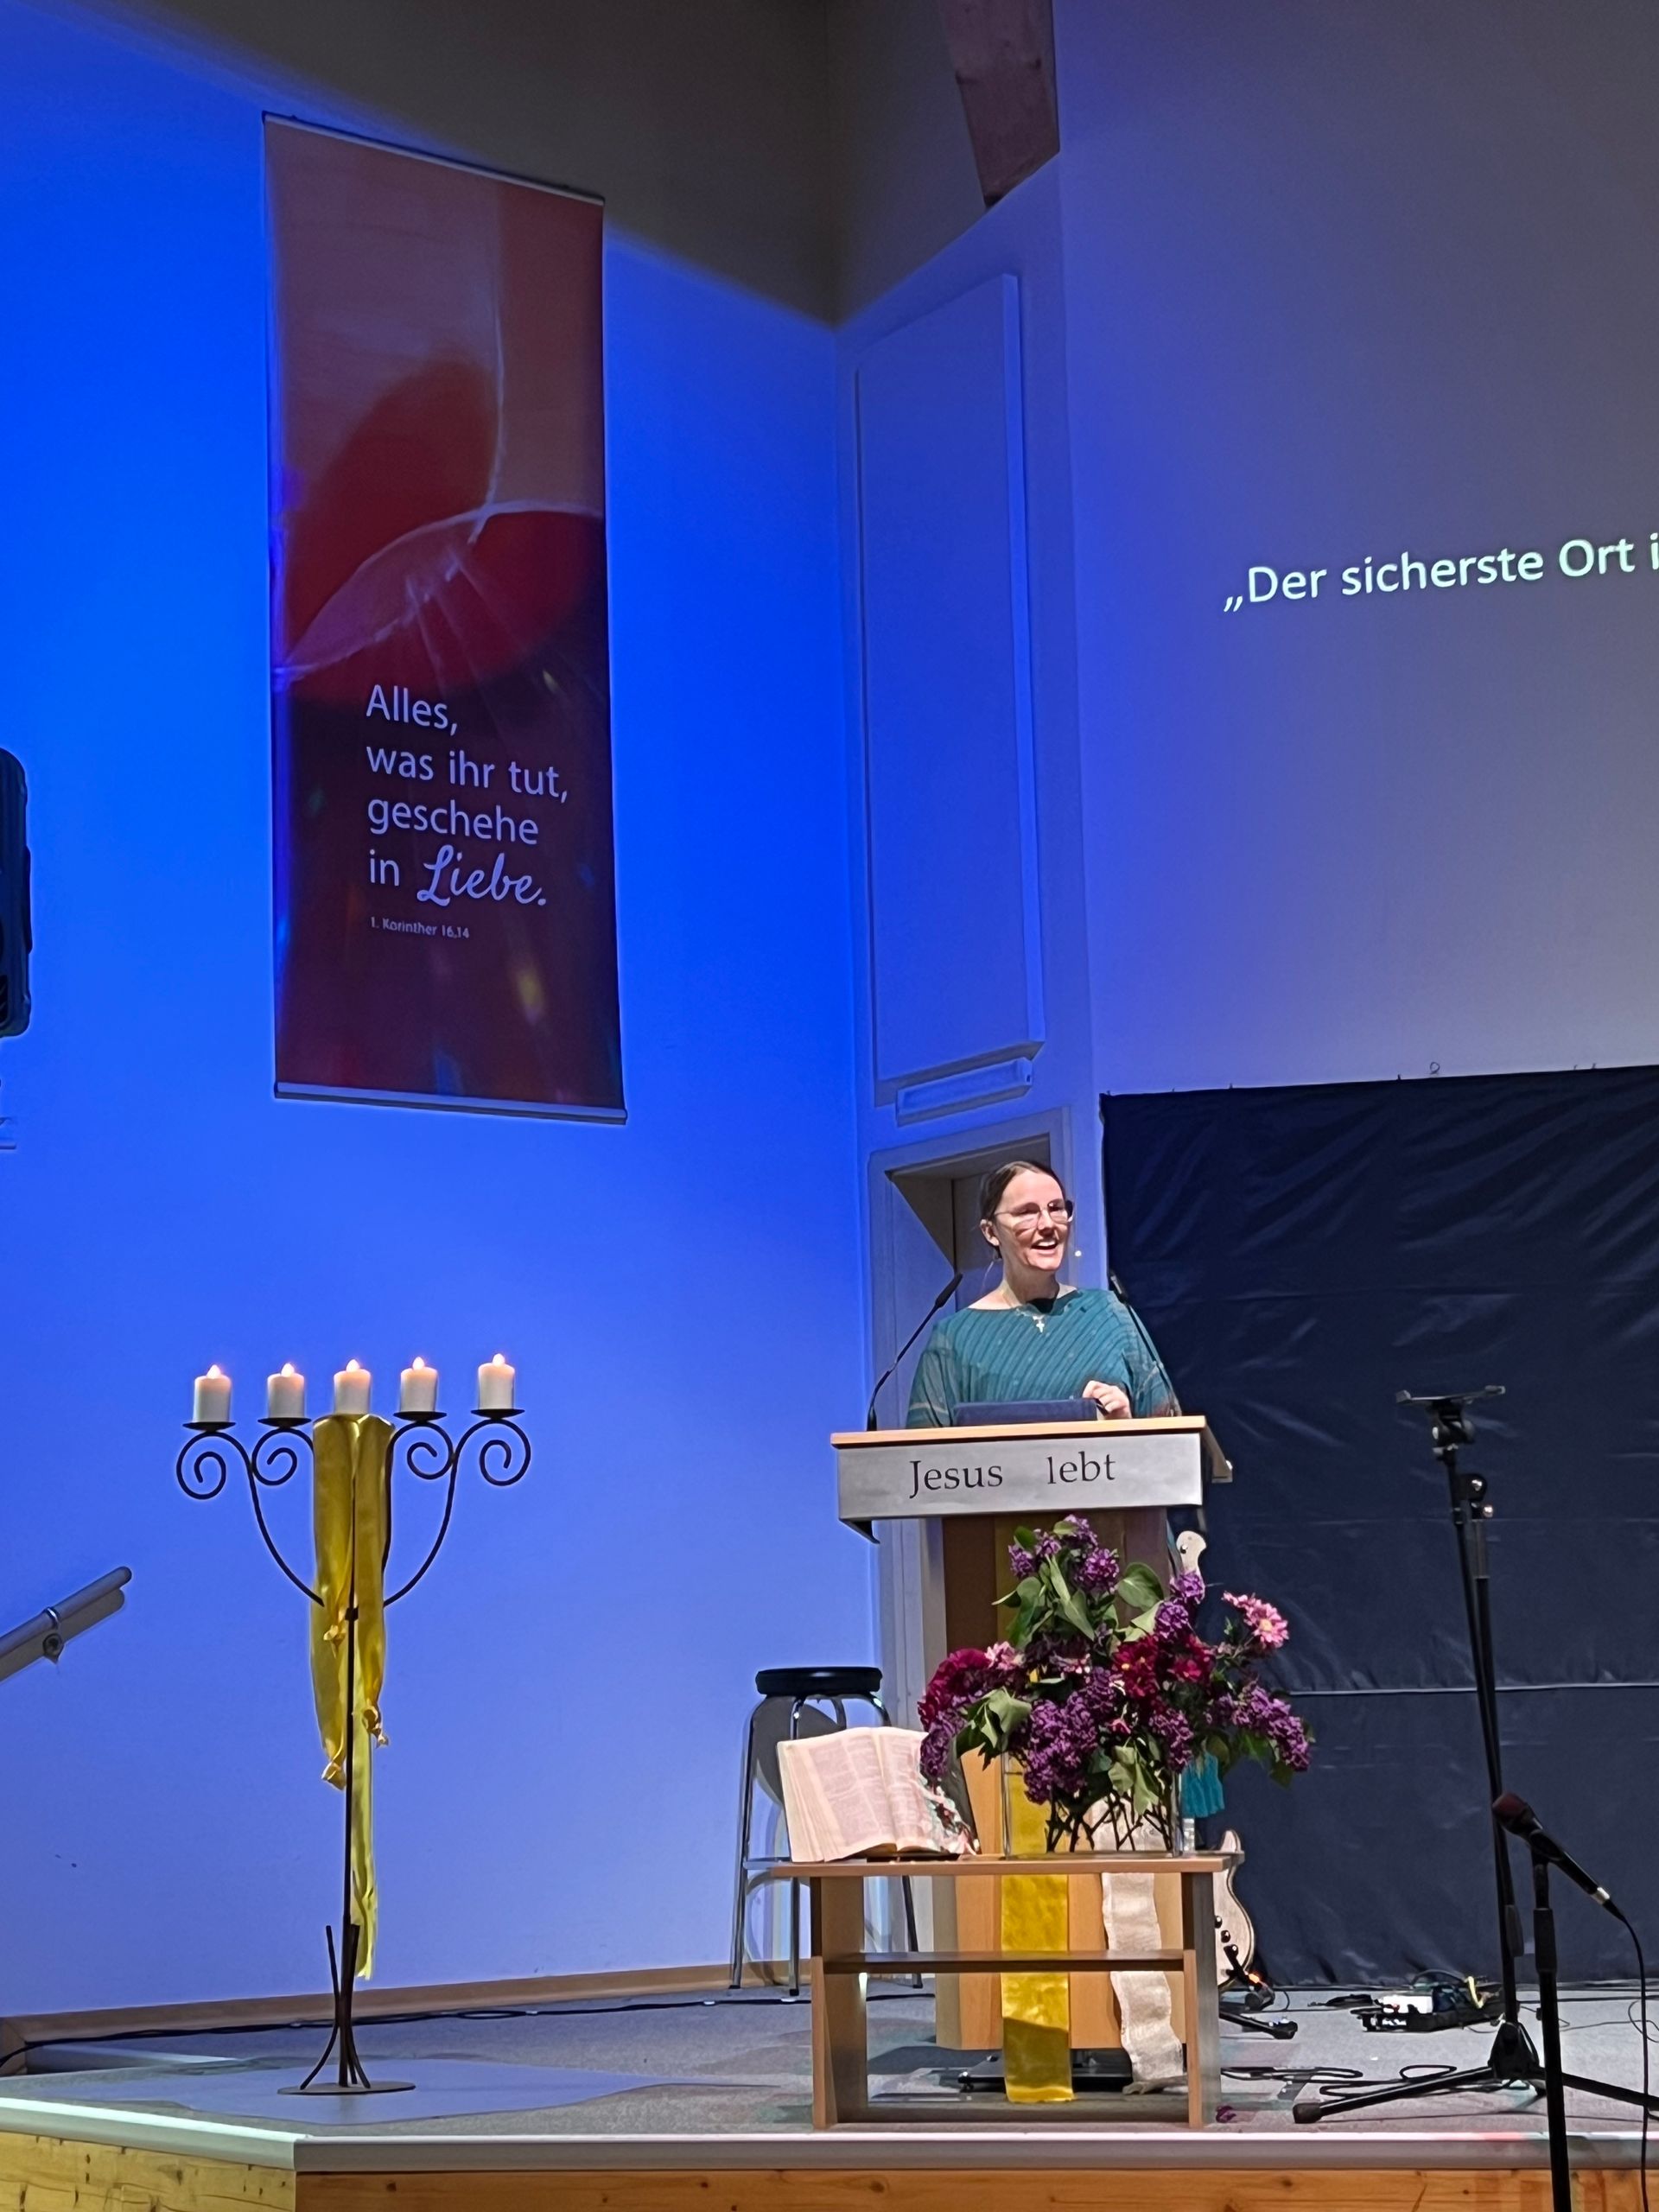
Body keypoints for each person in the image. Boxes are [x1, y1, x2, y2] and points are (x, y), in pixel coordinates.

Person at [906, 1160, 1175, 1427]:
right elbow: (924, 1460)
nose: (1047, 1224)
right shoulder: (954, 1339)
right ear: (991, 1232)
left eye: (1056, 1209)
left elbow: (1171, 1435)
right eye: (1027, 1212)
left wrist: (1125, 1426)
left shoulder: (1110, 1315)